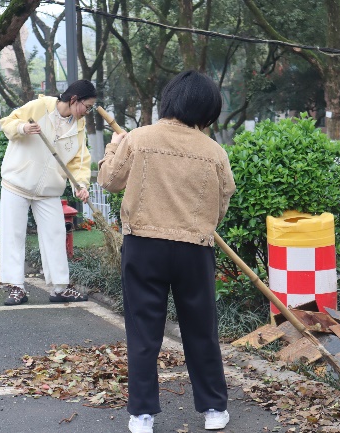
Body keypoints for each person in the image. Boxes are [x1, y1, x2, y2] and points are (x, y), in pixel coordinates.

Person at [97, 70, 236, 433]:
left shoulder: (138, 139)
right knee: (201, 330)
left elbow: (109, 180)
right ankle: (213, 409)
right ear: (207, 111)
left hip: (144, 246)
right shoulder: (214, 152)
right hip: (194, 250)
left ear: (170, 100)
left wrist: (113, 146)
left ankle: (142, 415)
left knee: (143, 332)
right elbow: (221, 202)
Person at [0, 80, 96, 306]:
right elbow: (7, 123)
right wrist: (23, 128)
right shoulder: (39, 107)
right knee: (13, 235)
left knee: (56, 235)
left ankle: (60, 287)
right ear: (74, 99)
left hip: (49, 191)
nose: (87, 112)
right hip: (17, 183)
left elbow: (79, 160)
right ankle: (16, 287)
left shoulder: (78, 126)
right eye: (87, 106)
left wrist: (81, 184)